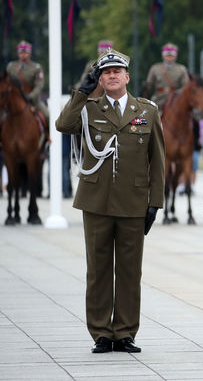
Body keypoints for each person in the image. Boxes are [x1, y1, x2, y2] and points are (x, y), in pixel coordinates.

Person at [55, 49, 165, 354]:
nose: (112, 75)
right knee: (98, 269)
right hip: (96, 202)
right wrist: (82, 93)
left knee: (130, 271)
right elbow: (63, 125)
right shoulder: (88, 108)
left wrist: (154, 202)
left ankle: (125, 332)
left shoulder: (147, 110)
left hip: (132, 203)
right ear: (100, 79)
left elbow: (157, 160)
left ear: (127, 77)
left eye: (117, 71)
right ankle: (102, 333)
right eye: (106, 73)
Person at [6, 40, 48, 128]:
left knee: (47, 115)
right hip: (13, 99)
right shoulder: (11, 67)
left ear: (29, 53)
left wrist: (30, 96)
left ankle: (47, 138)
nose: (23, 55)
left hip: (31, 100)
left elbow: (39, 85)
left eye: (25, 52)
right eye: (21, 52)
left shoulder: (36, 67)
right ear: (18, 53)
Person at [143, 42, 189, 110]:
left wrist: (179, 93)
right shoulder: (155, 68)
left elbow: (186, 86)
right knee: (151, 116)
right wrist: (146, 85)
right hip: (159, 99)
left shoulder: (182, 69)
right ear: (163, 55)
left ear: (176, 56)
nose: (169, 57)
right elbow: (149, 87)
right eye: (167, 55)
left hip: (175, 100)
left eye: (171, 55)